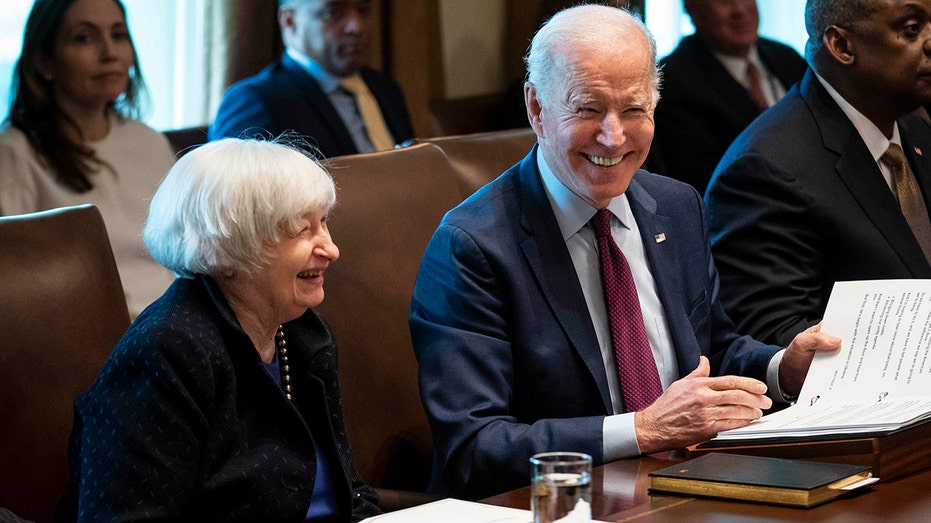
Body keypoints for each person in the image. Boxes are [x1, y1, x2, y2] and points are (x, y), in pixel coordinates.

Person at [409, 4, 841, 501]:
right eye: (588, 109)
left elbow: (710, 352)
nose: (613, 137)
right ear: (535, 108)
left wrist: (782, 367)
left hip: (687, 487)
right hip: (561, 504)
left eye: (634, 110)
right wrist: (642, 429)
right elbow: (473, 447)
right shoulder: (473, 246)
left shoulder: (677, 207)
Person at [55, 138, 381, 522]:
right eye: (300, 230)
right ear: (226, 251)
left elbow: (350, 494)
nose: (330, 248)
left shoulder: (302, 334)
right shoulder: (166, 352)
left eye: (323, 222)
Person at [706, 0, 931, 347]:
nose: (930, 42)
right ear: (842, 46)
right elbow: (772, 339)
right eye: (912, 29)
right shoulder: (765, 169)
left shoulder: (915, 132)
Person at [0, 0, 176, 318]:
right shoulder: (15, 152)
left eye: (119, 35)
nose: (109, 52)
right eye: (84, 38)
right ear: (44, 62)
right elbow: (17, 287)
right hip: (90, 341)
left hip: (176, 327)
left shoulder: (148, 140)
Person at [208, 0, 414, 158]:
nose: (356, 27)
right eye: (334, 12)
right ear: (290, 20)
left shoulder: (385, 88)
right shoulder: (254, 101)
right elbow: (231, 202)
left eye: (363, 9)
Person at [651, 0, 807, 194]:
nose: (740, 9)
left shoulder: (786, 57)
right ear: (692, 9)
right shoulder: (674, 80)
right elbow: (706, 178)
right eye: (724, 2)